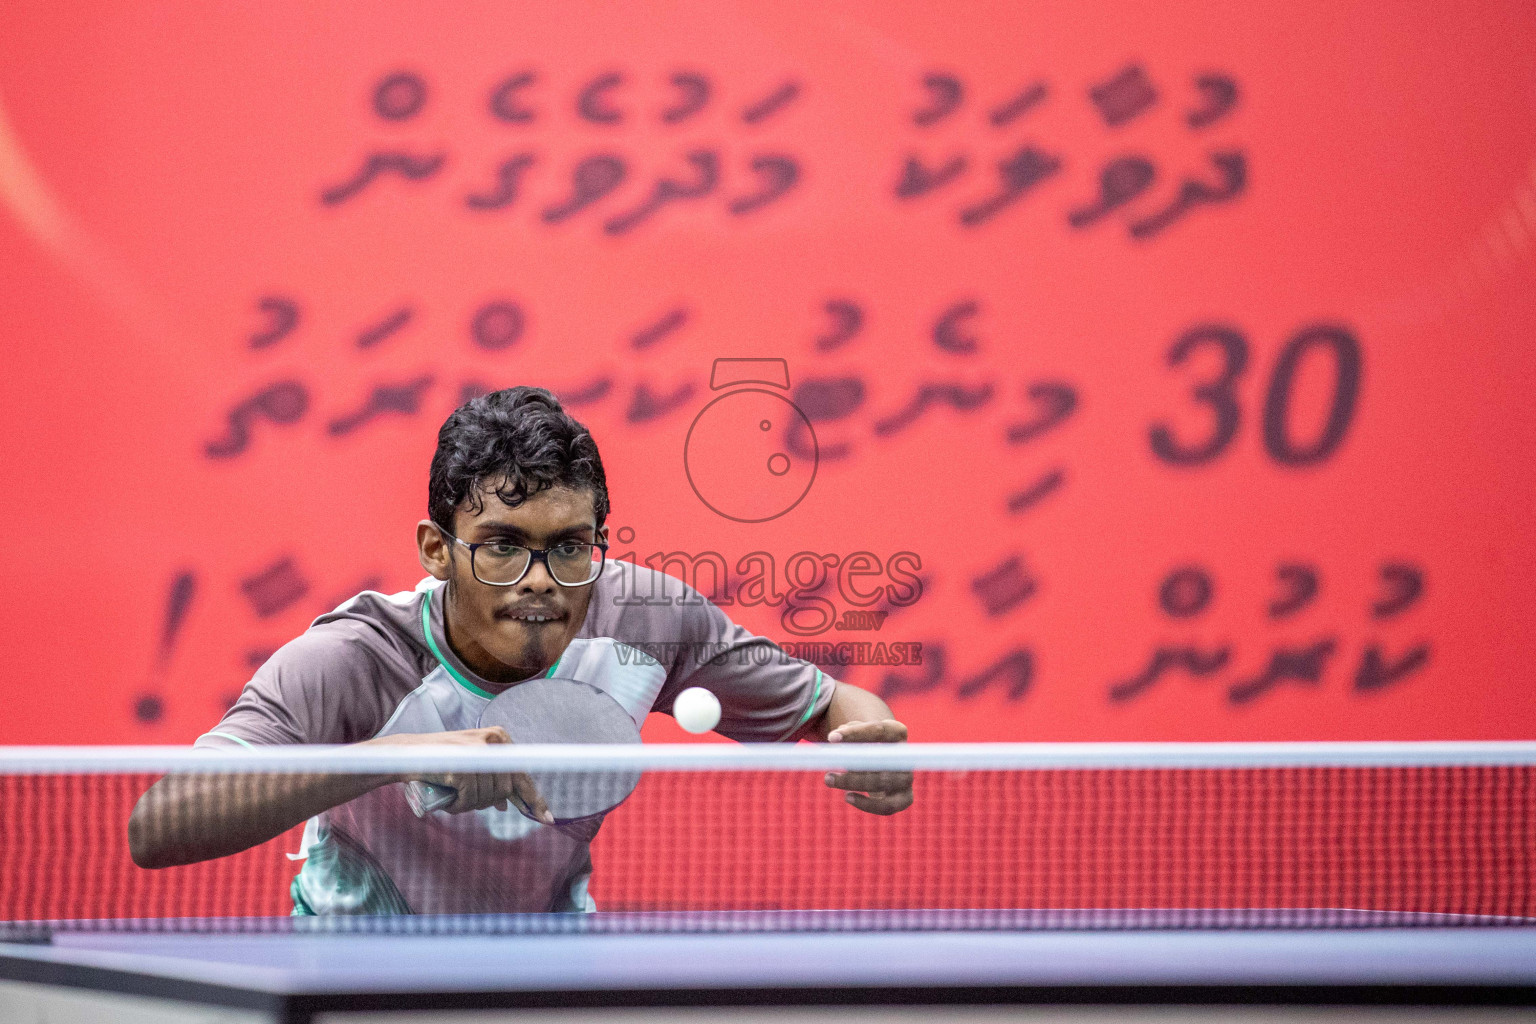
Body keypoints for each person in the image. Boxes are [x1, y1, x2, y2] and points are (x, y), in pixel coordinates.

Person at [128, 387, 912, 915]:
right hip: (357, 971)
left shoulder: (647, 618)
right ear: (438, 549)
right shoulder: (354, 658)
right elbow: (158, 827)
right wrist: (389, 754)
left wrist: (869, 735)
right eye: (502, 546)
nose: (540, 580)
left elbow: (833, 707)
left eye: (570, 547)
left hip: (543, 966)